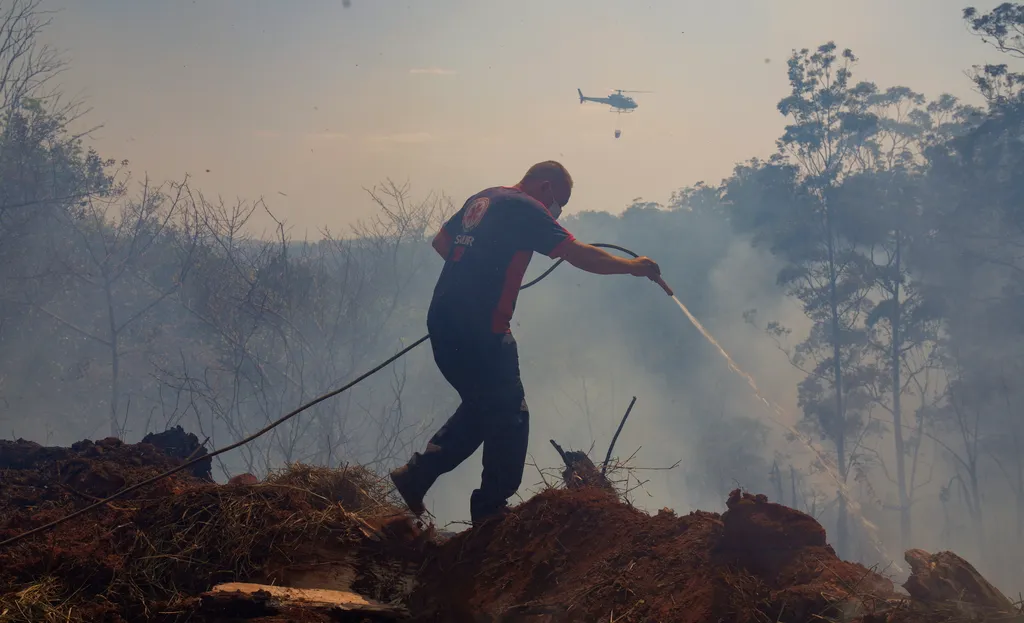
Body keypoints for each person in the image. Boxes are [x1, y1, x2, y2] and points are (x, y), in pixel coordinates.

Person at [389, 161, 671, 526]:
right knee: (510, 415)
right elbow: (579, 254)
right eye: (561, 201)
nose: (558, 210)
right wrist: (632, 266)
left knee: (482, 407)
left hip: (443, 321)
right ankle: (491, 510)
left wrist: (482, 271)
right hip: (483, 329)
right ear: (546, 186)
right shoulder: (527, 208)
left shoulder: (485, 198)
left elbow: (442, 242)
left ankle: (416, 476)